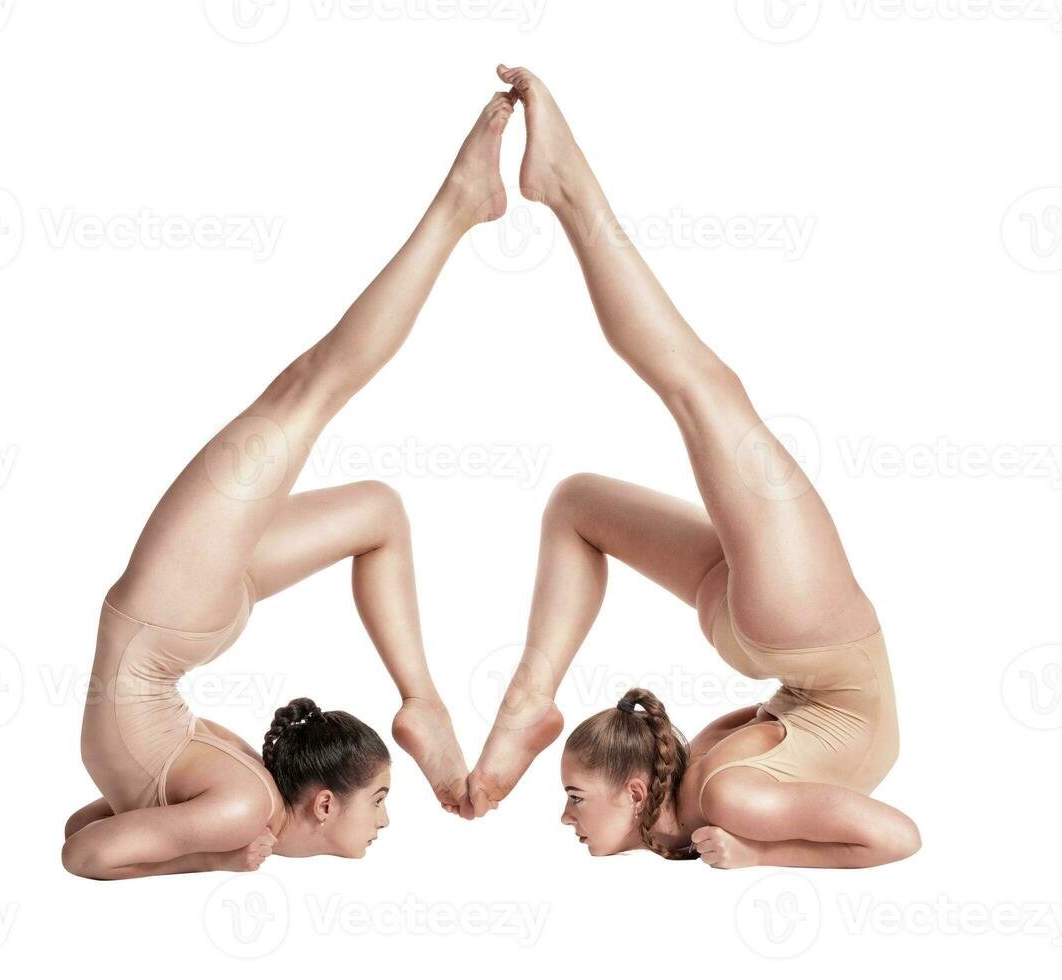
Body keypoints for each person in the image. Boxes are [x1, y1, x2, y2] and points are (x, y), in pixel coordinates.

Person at [465, 66, 920, 869]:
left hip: (787, 647)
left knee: (582, 500)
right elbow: (898, 836)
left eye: (570, 797)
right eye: (573, 797)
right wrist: (756, 857)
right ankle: (567, 188)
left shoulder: (707, 790)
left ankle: (529, 698)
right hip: (811, 639)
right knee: (701, 387)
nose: (565, 819)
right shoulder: (727, 801)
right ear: (636, 793)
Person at [61, 90, 519, 879]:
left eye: (379, 799)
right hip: (179, 626)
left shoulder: (243, 814)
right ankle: (423, 700)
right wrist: (207, 847)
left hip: (164, 626)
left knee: (313, 386)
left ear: (324, 804)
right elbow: (99, 822)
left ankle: (457, 205)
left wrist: (219, 858)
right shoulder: (242, 807)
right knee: (373, 504)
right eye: (385, 800)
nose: (384, 819)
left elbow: (84, 848)